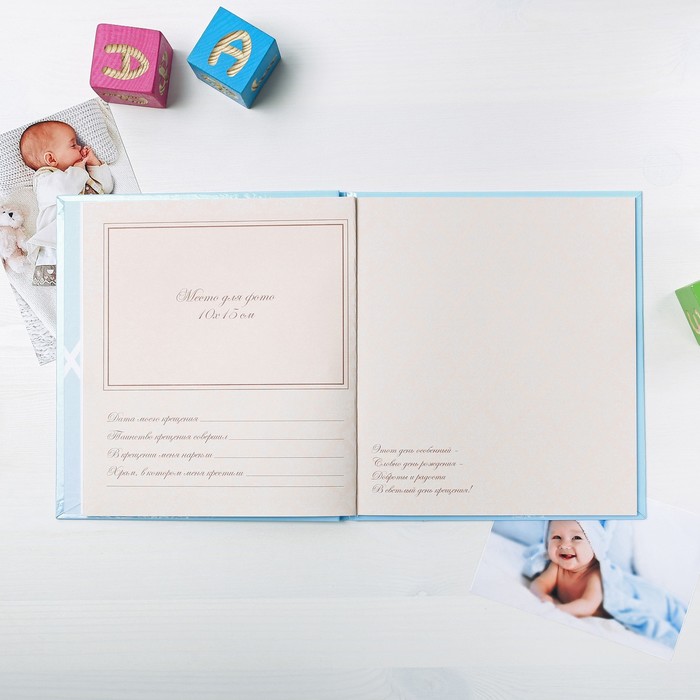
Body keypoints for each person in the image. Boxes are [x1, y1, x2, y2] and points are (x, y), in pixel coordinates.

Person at [19, 120, 114, 275]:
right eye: (73, 145)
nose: (80, 147)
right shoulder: (44, 179)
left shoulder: (77, 175)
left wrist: (93, 163)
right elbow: (65, 189)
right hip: (57, 241)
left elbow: (105, 188)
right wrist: (79, 169)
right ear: (51, 159)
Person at [529, 520, 608, 618]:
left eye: (576, 538)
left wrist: (558, 610)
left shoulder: (596, 574)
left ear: (594, 544)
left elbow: (588, 605)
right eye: (557, 537)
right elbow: (540, 583)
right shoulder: (557, 566)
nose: (564, 545)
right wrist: (542, 595)